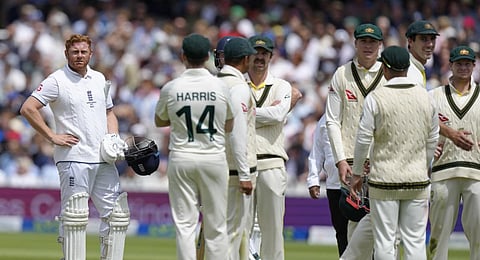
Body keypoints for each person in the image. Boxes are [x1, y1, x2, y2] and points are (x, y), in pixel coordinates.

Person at [20, 34, 129, 260]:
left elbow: (109, 112)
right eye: (75, 52)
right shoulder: (56, 80)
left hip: (103, 159)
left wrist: (113, 137)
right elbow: (28, 108)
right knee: (75, 217)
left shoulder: (99, 78)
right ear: (66, 54)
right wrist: (52, 136)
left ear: (91, 53)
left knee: (117, 216)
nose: (79, 56)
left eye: (83, 51)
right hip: (74, 158)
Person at [350, 46, 439, 260]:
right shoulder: (427, 98)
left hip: (384, 182)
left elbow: (363, 139)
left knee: (385, 241)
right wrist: (422, 166)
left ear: (385, 69)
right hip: (417, 181)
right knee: (415, 242)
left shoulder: (376, 97)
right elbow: (432, 139)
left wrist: (356, 174)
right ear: (407, 68)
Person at [154, 33, 233, 260]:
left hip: (182, 157)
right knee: (217, 225)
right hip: (213, 157)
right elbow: (229, 124)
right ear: (208, 56)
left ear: (183, 56)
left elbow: (159, 121)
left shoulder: (172, 87)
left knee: (185, 225)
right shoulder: (220, 86)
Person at [324, 23, 385, 260]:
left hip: (382, 162)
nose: (368, 46)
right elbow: (332, 121)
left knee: (384, 230)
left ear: (380, 45)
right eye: (363, 41)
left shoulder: (388, 74)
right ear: (355, 43)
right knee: (353, 227)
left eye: (373, 42)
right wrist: (340, 160)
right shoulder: (342, 73)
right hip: (350, 162)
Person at [246, 34, 300, 260]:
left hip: (272, 163)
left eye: (264, 53)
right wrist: (267, 113)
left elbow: (278, 115)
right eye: (256, 53)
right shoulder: (237, 84)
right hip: (243, 165)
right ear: (247, 56)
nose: (260, 57)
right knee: (240, 230)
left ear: (271, 56)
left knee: (273, 231)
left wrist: (245, 113)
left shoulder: (281, 85)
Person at [428, 45, 480, 260]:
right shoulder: (434, 96)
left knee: (478, 235)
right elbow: (420, 126)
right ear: (451, 65)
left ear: (474, 66)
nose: (463, 67)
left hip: (476, 173)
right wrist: (430, 145)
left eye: (468, 63)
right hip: (443, 171)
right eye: (459, 63)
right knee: (438, 236)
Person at [405, 20, 474, 152]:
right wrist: (451, 134)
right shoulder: (409, 71)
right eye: (423, 39)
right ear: (410, 41)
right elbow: (418, 114)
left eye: (432, 39)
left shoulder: (417, 68)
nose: (430, 44)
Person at [217, 36, 257, 260]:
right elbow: (237, 133)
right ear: (244, 59)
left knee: (219, 231)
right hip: (233, 171)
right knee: (233, 232)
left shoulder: (213, 83)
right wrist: (244, 174)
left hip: (213, 166)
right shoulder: (239, 88)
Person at [307, 114, 348, 256]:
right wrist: (313, 179)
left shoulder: (358, 111)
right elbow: (316, 152)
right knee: (341, 232)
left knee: (363, 233)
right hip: (334, 185)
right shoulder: (324, 121)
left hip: (357, 184)